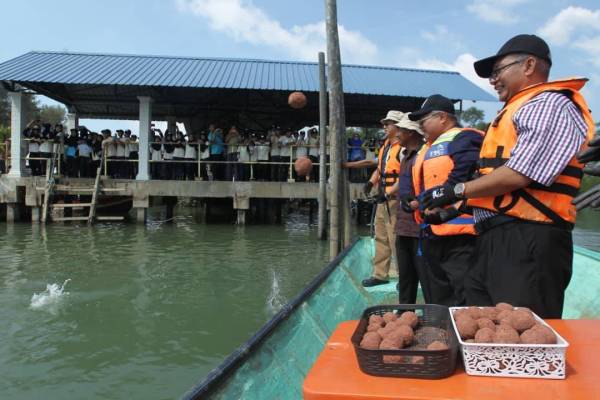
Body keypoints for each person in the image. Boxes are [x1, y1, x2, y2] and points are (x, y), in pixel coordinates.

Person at [420, 34, 594, 318]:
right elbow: (498, 183)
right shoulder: (515, 111)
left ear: (528, 65)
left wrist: (455, 190)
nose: (492, 79)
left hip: (528, 240)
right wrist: (453, 211)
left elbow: (522, 173)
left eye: (498, 71)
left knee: (521, 335)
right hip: (494, 240)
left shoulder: (549, 104)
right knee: (483, 324)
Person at [407, 95, 483, 306]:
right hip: (433, 231)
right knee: (437, 292)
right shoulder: (428, 147)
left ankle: (462, 334)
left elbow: (466, 169)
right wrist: (418, 201)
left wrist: (446, 192)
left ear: (442, 117)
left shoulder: (463, 138)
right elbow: (429, 184)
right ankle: (441, 330)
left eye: (424, 121)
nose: (421, 127)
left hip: (461, 237)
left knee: (463, 291)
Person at [386, 114, 429, 304]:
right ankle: (405, 312)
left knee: (426, 277)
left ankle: (433, 315)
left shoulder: (423, 156)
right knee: (406, 276)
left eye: (401, 131)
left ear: (411, 133)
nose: (398, 134)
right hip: (403, 225)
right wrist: (387, 194)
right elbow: (403, 183)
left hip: (420, 228)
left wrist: (417, 202)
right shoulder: (406, 156)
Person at [360, 110, 405, 287]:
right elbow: (380, 169)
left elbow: (406, 176)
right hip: (383, 197)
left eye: (388, 123)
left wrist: (388, 194)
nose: (384, 127)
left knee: (396, 239)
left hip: (395, 199)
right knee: (380, 236)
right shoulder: (386, 145)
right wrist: (371, 183)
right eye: (384, 124)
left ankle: (404, 276)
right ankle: (380, 274)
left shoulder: (403, 148)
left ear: (398, 126)